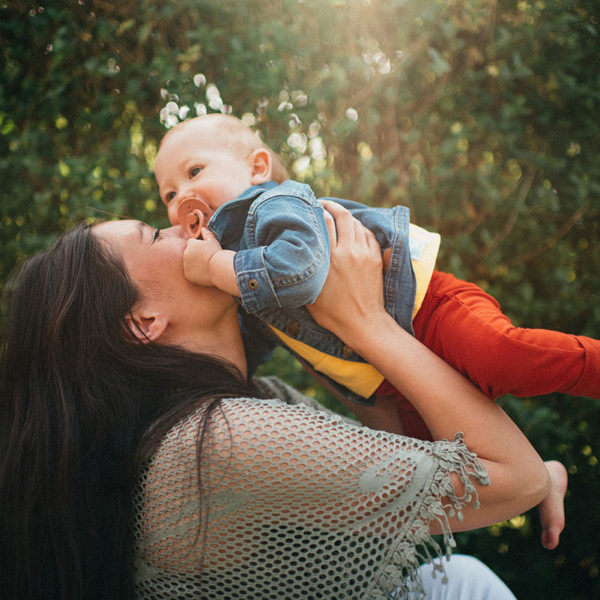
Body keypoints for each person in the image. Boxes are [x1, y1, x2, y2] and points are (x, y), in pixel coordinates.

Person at [0, 205, 547, 599]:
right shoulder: (220, 443)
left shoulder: (250, 403)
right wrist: (365, 322)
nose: (185, 225)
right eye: (155, 234)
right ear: (144, 323)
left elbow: (413, 459)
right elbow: (514, 480)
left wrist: (331, 332)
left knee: (462, 579)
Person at [154, 113, 578, 549]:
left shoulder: (271, 205)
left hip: (422, 306)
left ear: (257, 168)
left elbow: (298, 271)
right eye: (168, 193)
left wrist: (214, 267)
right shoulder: (233, 268)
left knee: (501, 355)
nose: (181, 196)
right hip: (384, 369)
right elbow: (255, 339)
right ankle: (545, 476)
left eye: (194, 172)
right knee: (434, 460)